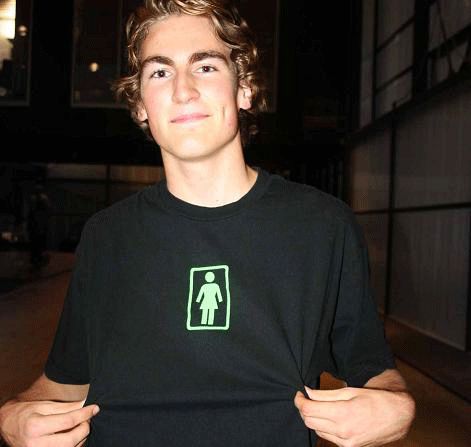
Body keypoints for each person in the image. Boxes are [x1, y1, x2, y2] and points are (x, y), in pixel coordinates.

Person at [0, 1, 415, 446]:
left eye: (206, 67)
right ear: (140, 106)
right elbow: (64, 381)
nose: (183, 91)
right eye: (161, 72)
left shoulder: (323, 225)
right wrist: (13, 416)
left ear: (244, 89)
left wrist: (397, 405)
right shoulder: (106, 235)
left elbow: (373, 368)